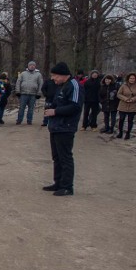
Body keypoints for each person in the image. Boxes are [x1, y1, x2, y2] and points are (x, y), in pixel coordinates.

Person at [43, 62, 83, 196]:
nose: (53, 78)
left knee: (65, 157)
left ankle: (67, 186)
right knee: (57, 157)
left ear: (63, 75)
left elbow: (75, 106)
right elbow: (57, 102)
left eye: (55, 76)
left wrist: (55, 112)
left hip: (66, 127)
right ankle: (58, 182)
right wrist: (50, 108)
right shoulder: (61, 86)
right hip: (55, 126)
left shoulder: (74, 85)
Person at [115, 72, 136, 140]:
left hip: (133, 105)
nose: (132, 79)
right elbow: (118, 94)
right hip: (123, 105)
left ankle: (128, 133)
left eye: (133, 78)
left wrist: (133, 99)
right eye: (131, 78)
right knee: (121, 119)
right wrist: (125, 99)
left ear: (135, 79)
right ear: (128, 78)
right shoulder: (123, 86)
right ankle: (120, 132)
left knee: (130, 120)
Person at [14, 60, 44, 125]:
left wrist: (39, 93)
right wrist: (17, 91)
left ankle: (29, 121)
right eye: (30, 65)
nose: (32, 66)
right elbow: (18, 82)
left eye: (33, 65)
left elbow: (40, 84)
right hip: (23, 93)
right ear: (28, 66)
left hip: (33, 94)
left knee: (31, 109)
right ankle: (19, 120)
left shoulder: (38, 74)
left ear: (35, 66)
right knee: (21, 108)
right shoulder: (23, 73)